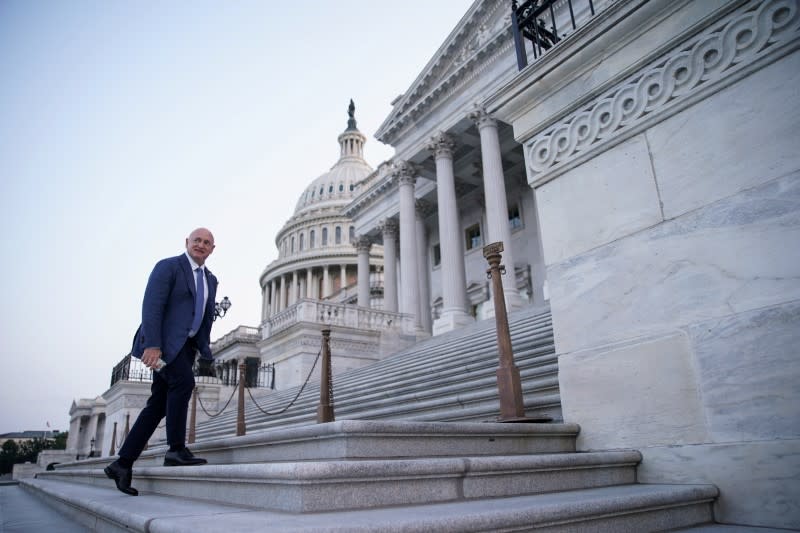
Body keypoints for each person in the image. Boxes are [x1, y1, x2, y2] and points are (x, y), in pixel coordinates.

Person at [105, 227, 219, 496]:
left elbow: (204, 316)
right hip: (164, 345)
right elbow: (152, 306)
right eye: (197, 240)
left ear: (213, 249)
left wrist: (204, 349)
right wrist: (153, 345)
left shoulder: (211, 279)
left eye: (207, 242)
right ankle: (176, 449)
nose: (201, 245)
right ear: (187, 243)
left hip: (186, 347)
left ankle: (122, 463)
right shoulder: (169, 267)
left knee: (157, 404)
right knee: (183, 383)